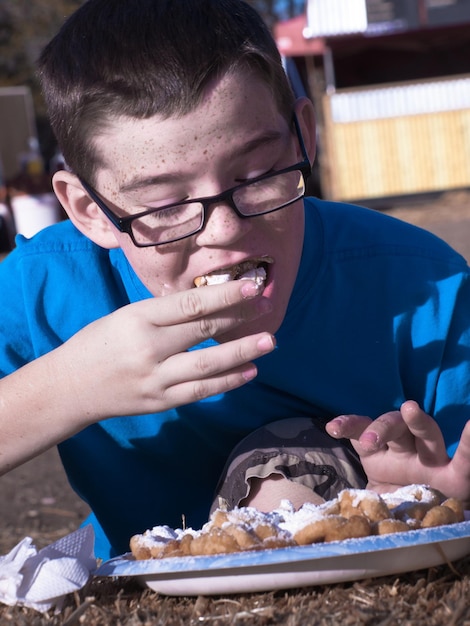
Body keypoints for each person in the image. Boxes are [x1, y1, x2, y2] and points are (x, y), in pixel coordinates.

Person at [1, 0, 470, 560]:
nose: (225, 230)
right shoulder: (47, 287)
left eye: (257, 175)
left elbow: (452, 481)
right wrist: (71, 386)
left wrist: (444, 505)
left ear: (302, 137)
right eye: (164, 204)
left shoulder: (425, 284)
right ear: (90, 211)